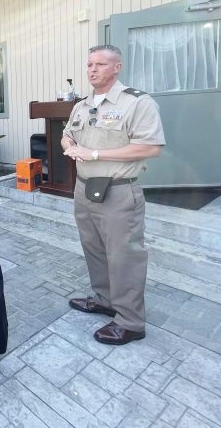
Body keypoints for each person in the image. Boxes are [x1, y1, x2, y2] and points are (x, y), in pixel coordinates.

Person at [62, 44, 165, 346]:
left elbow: (150, 147)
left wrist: (93, 153)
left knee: (124, 257)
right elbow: (68, 134)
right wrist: (70, 147)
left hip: (118, 192)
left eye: (100, 64)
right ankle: (105, 299)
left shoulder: (137, 102)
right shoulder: (82, 105)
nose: (93, 70)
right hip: (84, 189)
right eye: (89, 64)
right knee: (93, 249)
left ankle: (131, 321)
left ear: (117, 67)